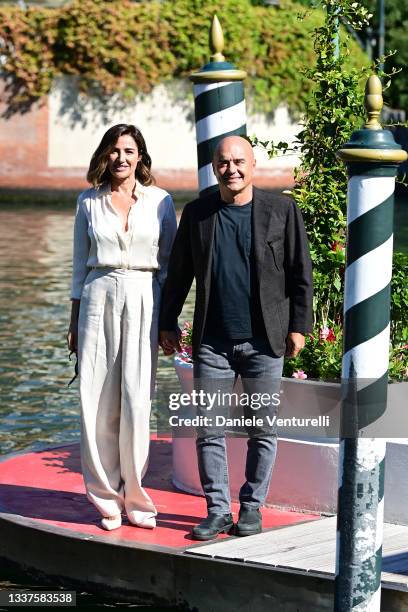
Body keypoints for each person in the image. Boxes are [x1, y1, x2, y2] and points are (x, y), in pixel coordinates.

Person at [159, 135, 312, 540]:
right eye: (224, 163)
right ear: (214, 168)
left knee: (262, 429)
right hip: (212, 342)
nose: (232, 169)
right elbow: (178, 275)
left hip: (265, 341)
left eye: (239, 161)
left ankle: (252, 507)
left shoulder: (281, 210)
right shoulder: (198, 214)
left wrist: (299, 325)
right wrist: (167, 322)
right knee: (209, 430)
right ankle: (217, 510)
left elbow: (301, 273)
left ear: (253, 163)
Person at [67, 124, 177, 531]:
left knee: (136, 400)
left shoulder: (161, 202)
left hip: (145, 296)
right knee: (95, 402)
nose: (121, 158)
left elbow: (170, 267)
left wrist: (168, 321)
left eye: (129, 151)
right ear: (104, 155)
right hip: (98, 296)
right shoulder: (88, 202)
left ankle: (135, 496)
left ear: (141, 157)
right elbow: (79, 268)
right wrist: (74, 321)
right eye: (114, 151)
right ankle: (105, 499)